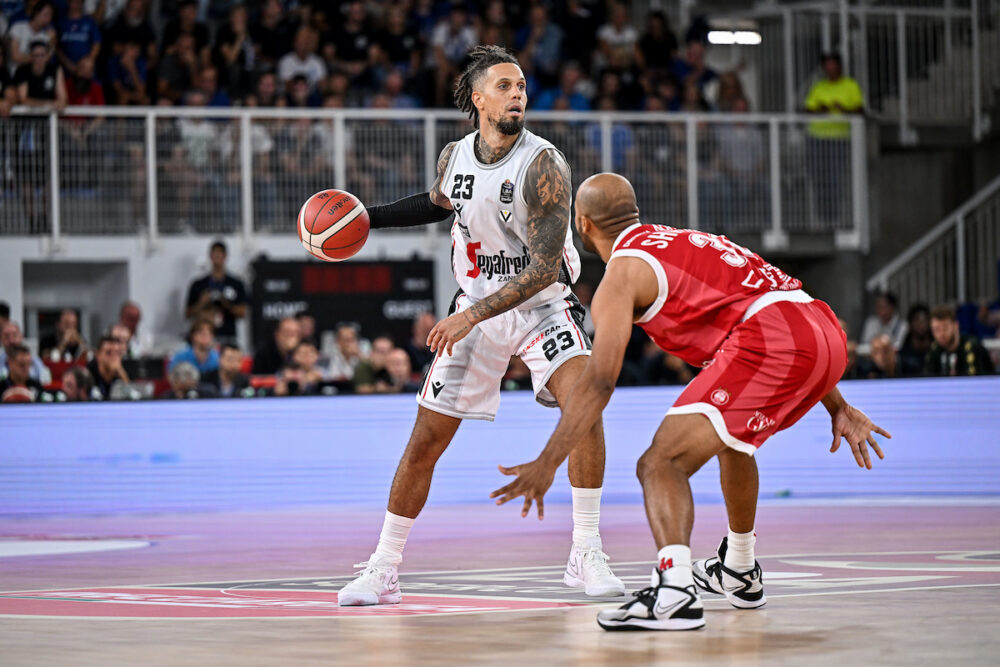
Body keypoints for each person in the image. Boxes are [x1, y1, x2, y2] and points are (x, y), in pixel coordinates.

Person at [490, 173, 890, 631]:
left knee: (660, 463)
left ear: (583, 224)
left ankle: (675, 592)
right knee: (733, 442)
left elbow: (599, 382)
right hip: (820, 327)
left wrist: (548, 461)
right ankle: (740, 568)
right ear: (633, 212)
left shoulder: (621, 276)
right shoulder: (679, 238)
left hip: (773, 338)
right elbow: (772, 304)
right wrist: (836, 404)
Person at [336, 45, 623, 608]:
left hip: (541, 306)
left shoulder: (543, 164)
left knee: (585, 400)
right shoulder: (455, 156)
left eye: (521, 86)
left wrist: (468, 314)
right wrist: (368, 216)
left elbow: (543, 270)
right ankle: (384, 567)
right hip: (477, 307)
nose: (518, 93)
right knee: (424, 442)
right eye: (505, 85)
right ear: (478, 98)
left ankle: (585, 550)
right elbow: (440, 202)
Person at [804, 52, 863, 224]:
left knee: (835, 179)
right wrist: (821, 109)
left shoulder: (850, 86)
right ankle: (821, 217)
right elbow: (808, 110)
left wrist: (842, 109)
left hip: (839, 139)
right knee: (819, 179)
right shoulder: (819, 87)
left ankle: (835, 216)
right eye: (827, 67)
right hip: (818, 139)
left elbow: (860, 111)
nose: (829, 70)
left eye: (832, 66)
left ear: (839, 67)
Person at [185, 240, 248, 344]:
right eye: (215, 254)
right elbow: (187, 314)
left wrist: (226, 303)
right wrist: (202, 303)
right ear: (210, 256)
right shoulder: (199, 284)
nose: (217, 257)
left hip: (228, 335)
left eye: (220, 254)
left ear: (225, 256)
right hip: (204, 336)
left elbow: (242, 312)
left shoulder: (236, 284)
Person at [924, 305, 993, 376]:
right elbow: (927, 378)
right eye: (936, 329)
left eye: (945, 328)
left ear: (956, 325)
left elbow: (974, 381)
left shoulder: (971, 347)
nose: (941, 334)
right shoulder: (934, 349)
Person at [86, 335, 129, 400]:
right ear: (97, 355)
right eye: (108, 353)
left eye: (117, 353)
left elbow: (133, 398)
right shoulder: (88, 374)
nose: (114, 358)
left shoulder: (125, 371)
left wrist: (122, 374)